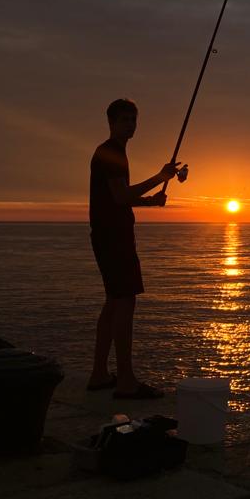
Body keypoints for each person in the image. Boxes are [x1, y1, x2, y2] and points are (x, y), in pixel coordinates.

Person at [87, 97, 184, 399]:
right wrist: (159, 178)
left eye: (133, 119)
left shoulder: (111, 153)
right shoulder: (111, 153)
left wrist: (152, 200)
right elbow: (120, 197)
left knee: (113, 302)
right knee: (125, 302)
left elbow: (120, 197)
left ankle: (100, 374)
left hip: (108, 235)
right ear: (112, 122)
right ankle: (126, 380)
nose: (131, 125)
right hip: (114, 238)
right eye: (125, 119)